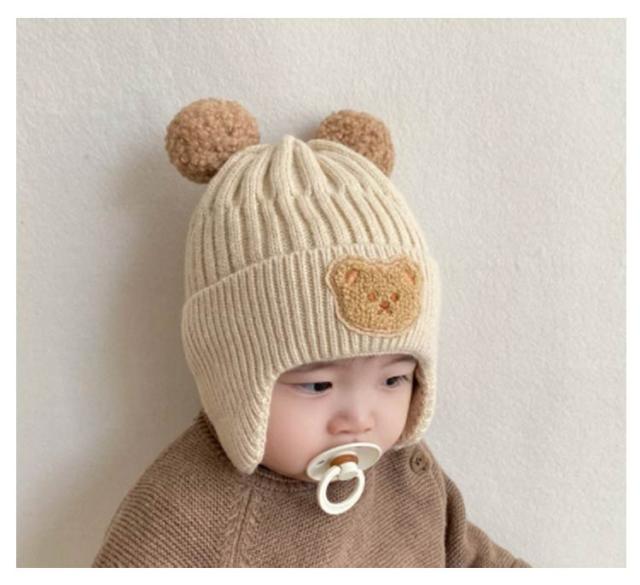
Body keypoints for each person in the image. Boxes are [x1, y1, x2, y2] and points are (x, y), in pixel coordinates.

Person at [91, 99, 530, 568]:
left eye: (394, 379)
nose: (359, 419)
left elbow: (469, 556)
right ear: (234, 380)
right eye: (318, 385)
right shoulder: (184, 514)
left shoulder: (404, 473)